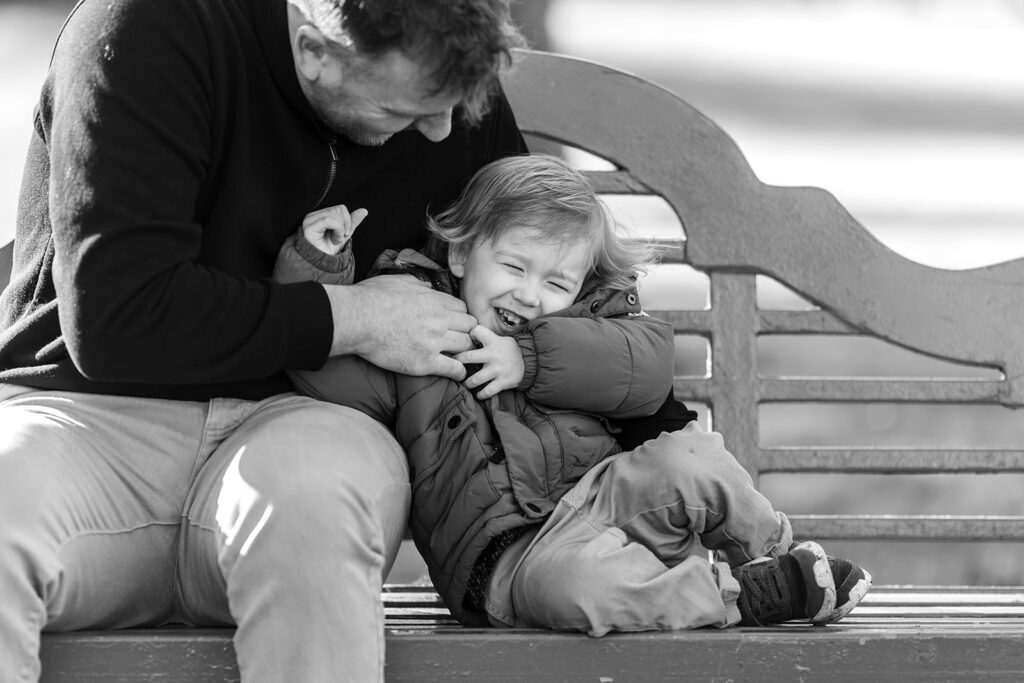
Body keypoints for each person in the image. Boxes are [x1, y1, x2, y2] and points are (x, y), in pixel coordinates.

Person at [0, 0, 530, 680]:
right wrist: (359, 317)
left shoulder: (448, 72)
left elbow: (544, 292)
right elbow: (118, 319)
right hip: (87, 420)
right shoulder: (149, 27)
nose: (443, 130)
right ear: (314, 51)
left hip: (314, 418)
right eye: (406, 110)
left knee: (313, 506)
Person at [273, 154, 873, 636]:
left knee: (692, 459)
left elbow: (646, 368)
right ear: (460, 252)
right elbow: (323, 373)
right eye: (513, 267)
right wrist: (316, 272)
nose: (531, 296)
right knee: (587, 587)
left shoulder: (591, 327)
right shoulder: (420, 335)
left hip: (608, 498)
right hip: (514, 558)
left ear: (582, 285)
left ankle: (785, 561)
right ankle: (742, 598)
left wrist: (529, 359)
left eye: (556, 281)